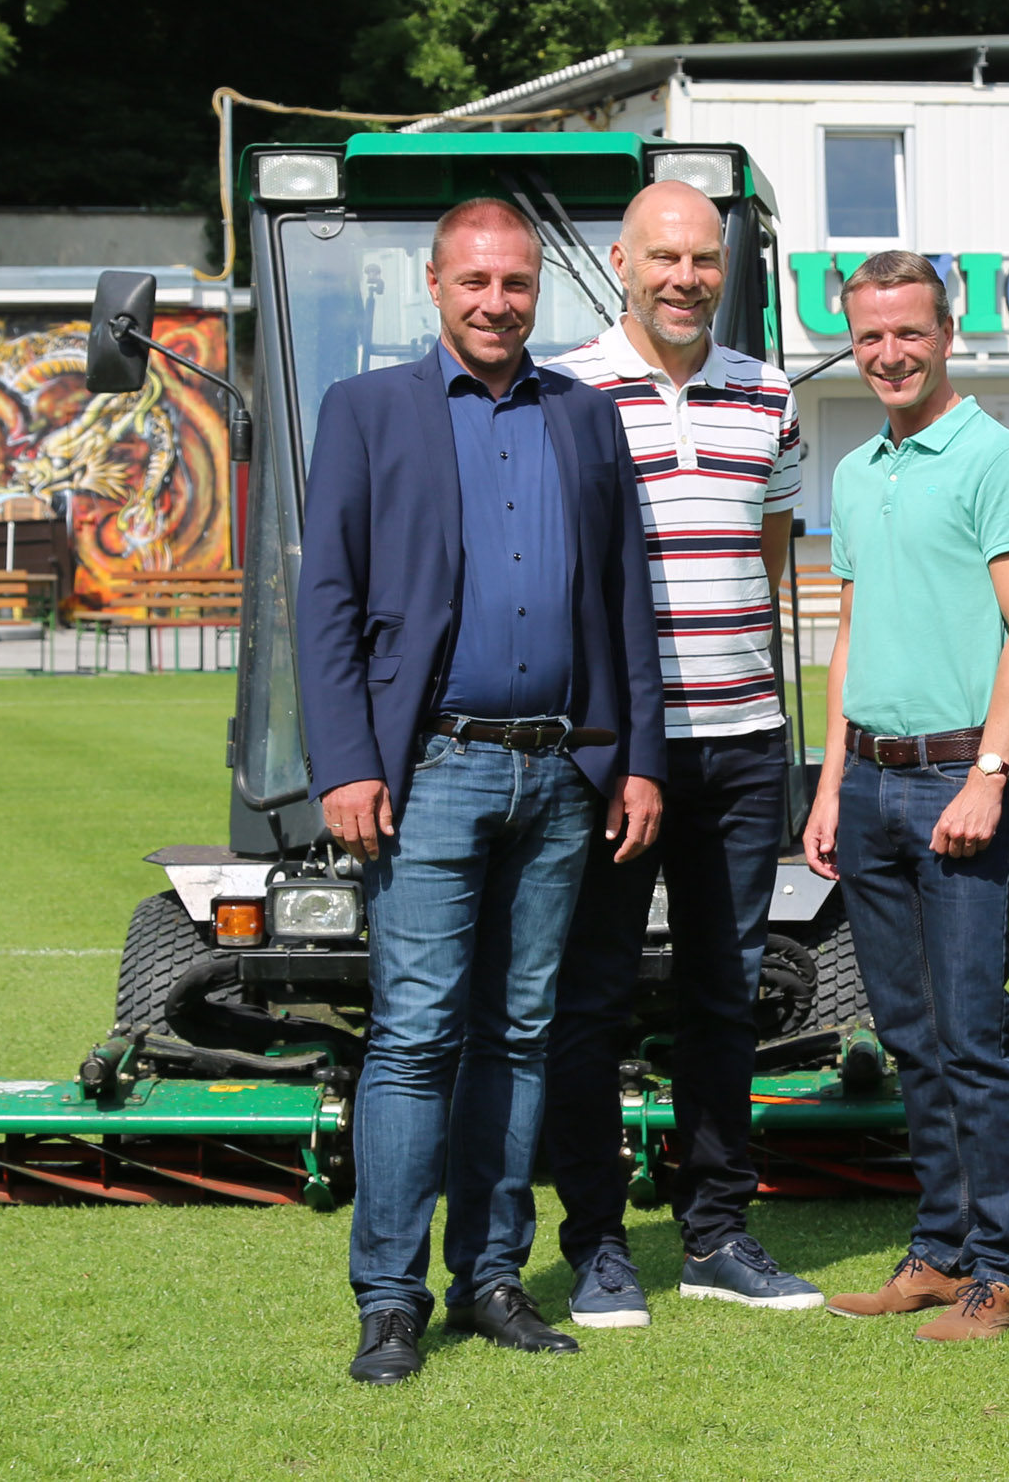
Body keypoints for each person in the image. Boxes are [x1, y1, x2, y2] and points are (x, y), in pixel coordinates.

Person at [298, 197, 666, 1386]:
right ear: (435, 286)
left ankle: (493, 1277)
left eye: (515, 282)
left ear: (535, 292)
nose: (497, 301)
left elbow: (626, 602)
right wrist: (349, 759)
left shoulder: (587, 416)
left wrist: (637, 755)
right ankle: (391, 1299)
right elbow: (329, 606)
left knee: (520, 1031)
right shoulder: (366, 412)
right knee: (413, 1035)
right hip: (433, 770)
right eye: (476, 282)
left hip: (562, 768)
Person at [543, 181, 819, 1323]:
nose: (683, 278)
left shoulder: (766, 393)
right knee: (593, 998)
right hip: (617, 753)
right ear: (621, 259)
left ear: (724, 267)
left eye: (702, 259)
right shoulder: (563, 386)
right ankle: (599, 1240)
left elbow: (767, 557)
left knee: (724, 995)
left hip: (745, 744)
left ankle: (716, 1232)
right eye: (662, 257)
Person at [801, 249, 1009, 1344]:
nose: (890, 353)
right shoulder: (857, 470)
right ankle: (940, 1246)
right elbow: (848, 633)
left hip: (962, 783)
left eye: (909, 332)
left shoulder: (996, 458)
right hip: (868, 784)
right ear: (851, 341)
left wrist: (989, 773)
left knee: (972, 1035)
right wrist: (827, 786)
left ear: (946, 333)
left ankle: (999, 1269)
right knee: (907, 1033)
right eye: (870, 337)